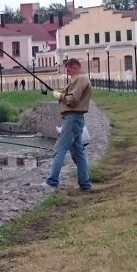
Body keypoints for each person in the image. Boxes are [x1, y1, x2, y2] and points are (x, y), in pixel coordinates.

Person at [43, 57, 92, 191]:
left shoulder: (80, 79)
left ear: (75, 67)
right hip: (75, 119)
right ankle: (85, 183)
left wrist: (59, 96)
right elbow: (71, 95)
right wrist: (60, 93)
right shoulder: (79, 80)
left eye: (69, 70)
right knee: (78, 152)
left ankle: (52, 180)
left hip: (71, 119)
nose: (68, 73)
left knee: (60, 149)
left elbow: (72, 99)